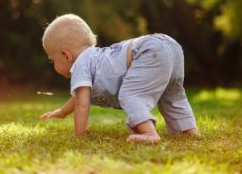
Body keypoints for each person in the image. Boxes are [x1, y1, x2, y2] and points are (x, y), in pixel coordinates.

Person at [40, 14, 199, 144]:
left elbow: (82, 102)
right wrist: (62, 112)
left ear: (66, 55)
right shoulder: (93, 58)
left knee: (129, 95)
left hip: (147, 50)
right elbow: (79, 97)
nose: (53, 65)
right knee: (172, 95)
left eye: (52, 60)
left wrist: (79, 135)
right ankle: (188, 130)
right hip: (170, 46)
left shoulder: (80, 64)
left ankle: (149, 134)